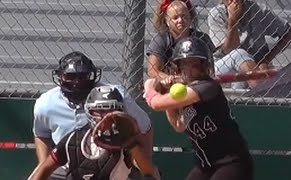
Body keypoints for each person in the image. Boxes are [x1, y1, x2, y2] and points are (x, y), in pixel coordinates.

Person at [32, 51, 159, 179]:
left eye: (83, 76)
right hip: (67, 165)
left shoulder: (119, 98)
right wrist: (43, 163)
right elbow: (41, 137)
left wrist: (136, 150)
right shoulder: (72, 139)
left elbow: (145, 130)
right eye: (70, 76)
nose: (77, 82)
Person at [144, 37, 253, 180]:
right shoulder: (188, 93)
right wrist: (166, 92)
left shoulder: (207, 87)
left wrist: (150, 88)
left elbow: (156, 104)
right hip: (206, 165)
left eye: (195, 64)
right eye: (184, 64)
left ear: (204, 66)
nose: (189, 70)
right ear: (177, 67)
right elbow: (179, 125)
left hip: (232, 163)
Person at [208, 0, 291, 88]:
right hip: (226, 67)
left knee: (257, 75)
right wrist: (233, 21)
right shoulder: (217, 14)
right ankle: (261, 92)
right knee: (239, 54)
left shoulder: (257, 10)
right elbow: (230, 48)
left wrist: (265, 60)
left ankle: (260, 92)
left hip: (255, 64)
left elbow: (289, 33)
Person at [147, 0, 216, 80]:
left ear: (190, 17)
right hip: (170, 84)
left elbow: (210, 69)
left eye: (184, 16)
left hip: (198, 82)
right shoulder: (161, 39)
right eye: (175, 18)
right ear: (167, 21)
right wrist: (171, 79)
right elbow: (152, 71)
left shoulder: (202, 38)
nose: (180, 20)